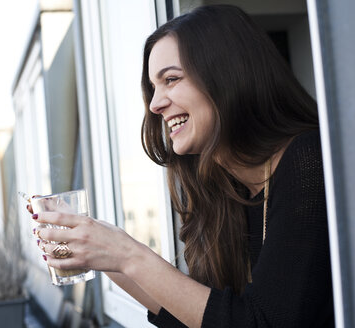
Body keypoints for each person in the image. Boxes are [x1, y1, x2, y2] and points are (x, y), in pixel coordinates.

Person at [28, 4, 334, 327]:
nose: (156, 104)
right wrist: (100, 254)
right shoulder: (227, 192)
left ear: (226, 75)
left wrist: (128, 255)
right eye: (153, 88)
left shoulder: (308, 162)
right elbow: (207, 318)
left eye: (171, 79)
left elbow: (261, 322)